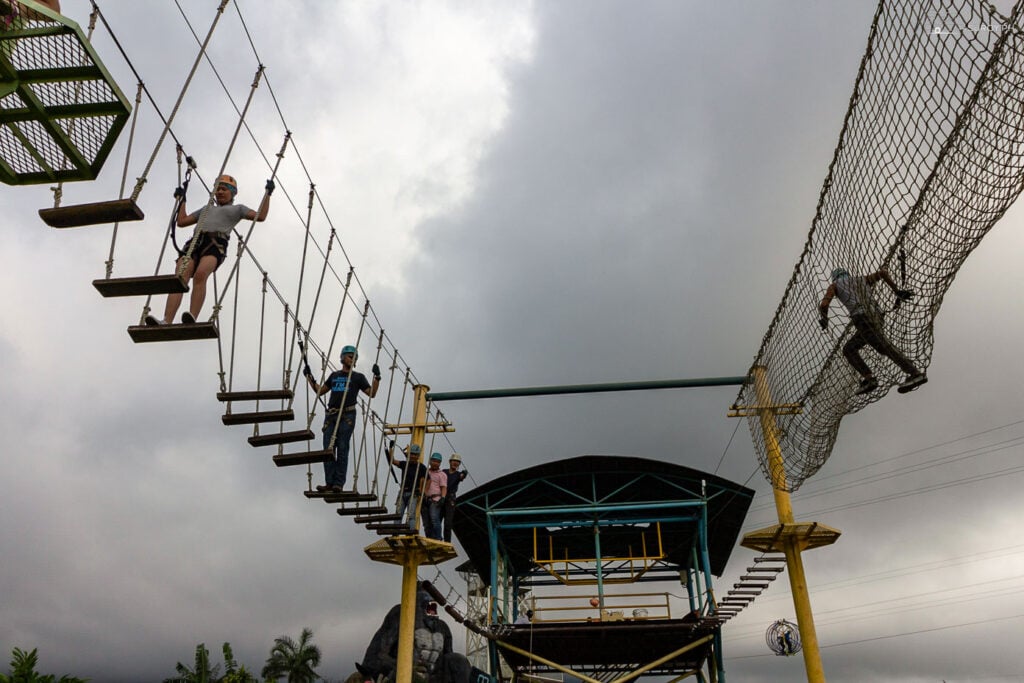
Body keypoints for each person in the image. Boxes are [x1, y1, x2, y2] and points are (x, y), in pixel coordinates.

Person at [145, 174, 272, 325]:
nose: (220, 192)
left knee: (200, 275)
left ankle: (192, 316)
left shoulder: (238, 209)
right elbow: (181, 221)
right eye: (217, 189)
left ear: (232, 193)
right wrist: (182, 200)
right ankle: (167, 320)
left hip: (215, 243)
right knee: (180, 277)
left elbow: (261, 216)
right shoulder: (205, 210)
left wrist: (267, 194)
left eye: (224, 189)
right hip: (195, 242)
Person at [818, 267, 927, 395]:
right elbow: (883, 273)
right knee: (851, 348)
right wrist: (896, 291)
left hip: (863, 319)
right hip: (877, 316)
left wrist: (825, 319)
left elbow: (824, 305)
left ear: (834, 277)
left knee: (882, 346)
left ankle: (914, 373)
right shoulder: (860, 279)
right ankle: (869, 379)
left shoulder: (834, 286)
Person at [304, 345, 380, 492]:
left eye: (355, 357)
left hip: (347, 415)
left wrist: (377, 378)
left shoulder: (358, 377)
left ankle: (338, 483)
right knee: (328, 448)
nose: (353, 359)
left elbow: (371, 393)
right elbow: (320, 391)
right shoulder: (334, 376)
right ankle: (329, 483)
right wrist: (309, 377)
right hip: (331, 414)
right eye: (350, 356)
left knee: (342, 447)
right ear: (342, 357)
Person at [391, 443, 427, 531]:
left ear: (418, 456)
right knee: (398, 514)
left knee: (411, 515)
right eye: (412, 454)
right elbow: (393, 461)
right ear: (409, 454)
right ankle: (395, 533)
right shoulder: (405, 464)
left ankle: (411, 532)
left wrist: (422, 491)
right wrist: (390, 449)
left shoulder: (421, 467)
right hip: (403, 492)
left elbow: (426, 480)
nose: (413, 456)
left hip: (413, 493)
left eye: (415, 455)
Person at [441, 454, 467, 543]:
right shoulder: (443, 472)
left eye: (457, 462)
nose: (455, 463)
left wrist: (464, 474)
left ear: (459, 464)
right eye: (454, 461)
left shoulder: (458, 474)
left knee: (448, 523)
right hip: (440, 497)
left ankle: (447, 542)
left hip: (450, 499)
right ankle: (436, 538)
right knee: (436, 520)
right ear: (450, 462)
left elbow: (461, 477)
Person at [422, 453, 447, 540]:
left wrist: (443, 497)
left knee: (434, 519)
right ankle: (429, 539)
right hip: (425, 499)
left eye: (437, 462)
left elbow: (443, 487)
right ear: (430, 461)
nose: (435, 463)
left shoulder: (442, 474)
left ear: (440, 463)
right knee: (426, 523)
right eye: (434, 461)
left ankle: (438, 538)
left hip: (435, 499)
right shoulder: (425, 472)